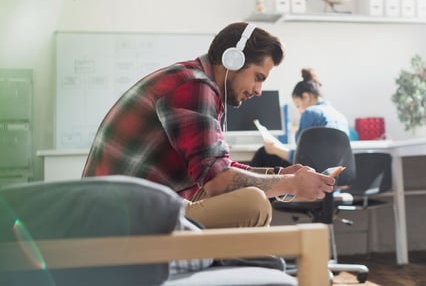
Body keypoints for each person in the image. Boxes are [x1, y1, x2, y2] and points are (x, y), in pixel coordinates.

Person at [82, 22, 335, 230]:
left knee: (245, 199)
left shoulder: (194, 80)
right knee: (252, 205)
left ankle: (243, 270)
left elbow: (216, 169)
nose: (259, 91)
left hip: (137, 208)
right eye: (258, 78)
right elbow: (219, 181)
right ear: (233, 61)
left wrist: (280, 176)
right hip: (122, 220)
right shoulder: (194, 86)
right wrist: (291, 184)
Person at [250, 68, 350, 172]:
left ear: (306, 97)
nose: (299, 110)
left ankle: (248, 185)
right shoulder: (340, 116)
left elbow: (302, 156)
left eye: (298, 105)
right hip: (334, 171)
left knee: (263, 153)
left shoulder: (310, 112)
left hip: (313, 170)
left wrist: (275, 148)